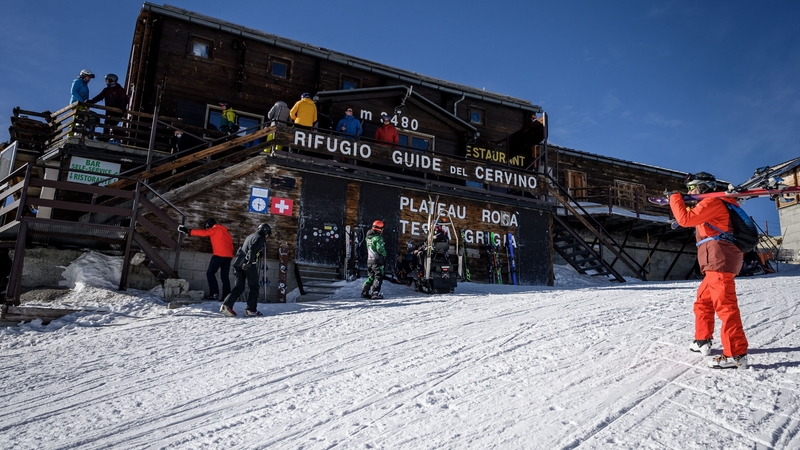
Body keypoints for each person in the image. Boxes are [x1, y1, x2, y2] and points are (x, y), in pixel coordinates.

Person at [670, 172, 748, 369]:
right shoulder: (710, 204)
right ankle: (702, 340)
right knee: (703, 302)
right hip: (714, 263)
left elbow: (685, 220)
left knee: (726, 307)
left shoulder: (712, 202)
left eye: (692, 187)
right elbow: (693, 220)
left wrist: (675, 198)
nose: (690, 191)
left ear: (703, 187)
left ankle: (736, 355)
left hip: (719, 261)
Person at [220, 223, 272, 317]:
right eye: (268, 234)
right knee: (254, 287)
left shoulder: (250, 236)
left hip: (239, 262)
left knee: (239, 286)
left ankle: (226, 305)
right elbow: (252, 249)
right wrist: (249, 262)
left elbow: (241, 249)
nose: (267, 237)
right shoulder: (260, 237)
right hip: (248, 264)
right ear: (265, 232)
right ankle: (250, 310)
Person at [178, 218, 234, 301]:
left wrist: (189, 231)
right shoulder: (226, 232)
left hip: (219, 255)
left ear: (209, 225)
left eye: (207, 227)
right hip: (228, 256)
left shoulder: (215, 229)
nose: (207, 229)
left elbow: (204, 233)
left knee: (210, 273)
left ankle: (214, 294)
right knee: (224, 277)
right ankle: (227, 297)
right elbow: (231, 246)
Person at [88, 74, 128, 143]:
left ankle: (122, 136)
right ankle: (106, 138)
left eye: (106, 80)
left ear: (110, 80)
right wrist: (92, 101)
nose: (106, 82)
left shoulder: (119, 89)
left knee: (111, 124)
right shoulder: (106, 90)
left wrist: (122, 107)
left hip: (117, 111)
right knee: (107, 124)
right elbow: (100, 96)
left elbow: (124, 98)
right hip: (109, 112)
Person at [361, 220, 386, 300]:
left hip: (369, 260)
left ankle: (364, 292)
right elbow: (379, 248)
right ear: (379, 229)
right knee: (378, 276)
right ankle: (375, 293)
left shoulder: (368, 237)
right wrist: (385, 254)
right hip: (377, 260)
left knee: (371, 276)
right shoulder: (378, 238)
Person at [69, 70, 95, 136]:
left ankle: (81, 133)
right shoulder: (78, 81)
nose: (89, 79)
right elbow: (73, 91)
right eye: (88, 77)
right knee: (77, 118)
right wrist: (81, 101)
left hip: (82, 104)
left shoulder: (84, 85)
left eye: (90, 78)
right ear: (83, 76)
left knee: (83, 117)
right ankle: (71, 135)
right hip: (77, 103)